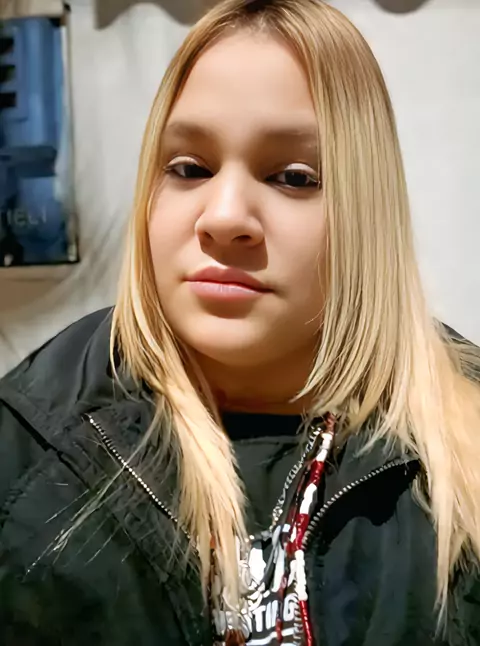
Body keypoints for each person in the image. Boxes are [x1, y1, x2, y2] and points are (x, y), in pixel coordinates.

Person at [0, 0, 479, 644]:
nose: (224, 218)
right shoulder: (26, 450)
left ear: (367, 210)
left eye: (293, 177)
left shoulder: (465, 451)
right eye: (189, 169)